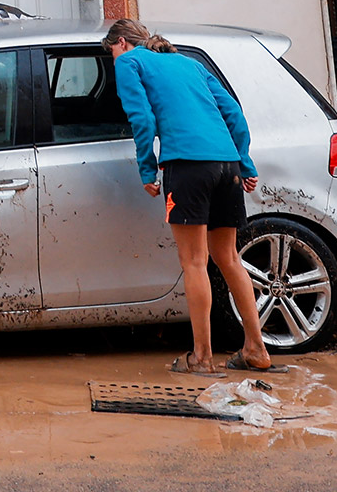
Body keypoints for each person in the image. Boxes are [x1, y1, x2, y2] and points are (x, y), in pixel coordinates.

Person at [105, 19, 275, 375]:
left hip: (187, 166)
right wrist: (244, 163)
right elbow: (233, 114)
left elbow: (142, 119)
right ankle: (256, 348)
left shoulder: (128, 62)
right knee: (228, 258)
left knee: (194, 263)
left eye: (112, 51)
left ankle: (201, 357)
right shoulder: (190, 64)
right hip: (226, 164)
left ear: (121, 42)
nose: (113, 58)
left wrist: (147, 170)